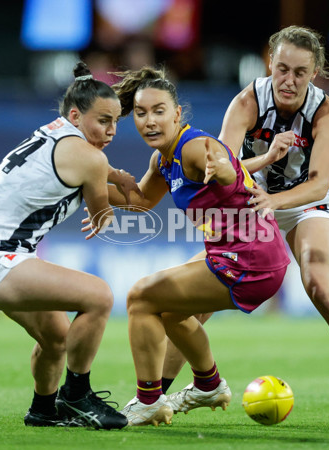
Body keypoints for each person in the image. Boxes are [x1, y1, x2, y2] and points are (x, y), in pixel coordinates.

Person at [161, 25, 329, 429]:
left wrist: (273, 202)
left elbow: (320, 182)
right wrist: (251, 197)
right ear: (269, 64)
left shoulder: (326, 112)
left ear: (315, 73)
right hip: (252, 199)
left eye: (300, 72)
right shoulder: (246, 101)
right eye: (282, 69)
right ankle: (154, 397)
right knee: (194, 301)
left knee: (321, 287)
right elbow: (223, 167)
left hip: (303, 201)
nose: (289, 81)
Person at [0, 62, 136, 430]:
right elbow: (106, 212)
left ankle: (43, 410)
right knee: (98, 296)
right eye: (103, 121)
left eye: (116, 122)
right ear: (75, 115)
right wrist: (121, 184)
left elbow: (97, 178)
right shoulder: (89, 157)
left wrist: (111, 176)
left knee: (57, 336)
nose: (111, 131)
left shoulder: (58, 134)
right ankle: (78, 396)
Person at [102, 66, 291, 426]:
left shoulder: (194, 148)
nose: (149, 121)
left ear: (177, 114)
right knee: (171, 312)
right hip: (242, 252)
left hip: (251, 258)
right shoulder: (162, 159)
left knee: (140, 297)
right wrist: (89, 184)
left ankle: (149, 401)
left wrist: (221, 167)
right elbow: (140, 201)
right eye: (140, 113)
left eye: (159, 111)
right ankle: (207, 385)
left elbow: (225, 167)